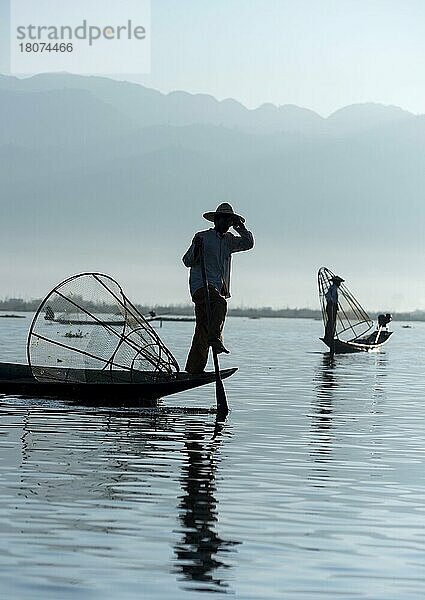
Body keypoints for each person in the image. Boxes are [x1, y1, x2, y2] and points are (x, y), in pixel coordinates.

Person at [182, 203, 254, 374]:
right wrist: (197, 249)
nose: (226, 223)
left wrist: (240, 226)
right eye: (223, 219)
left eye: (229, 220)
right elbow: (187, 261)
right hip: (201, 286)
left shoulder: (229, 241)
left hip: (216, 288)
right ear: (216, 220)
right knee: (220, 304)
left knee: (202, 328)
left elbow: (248, 243)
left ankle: (194, 369)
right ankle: (215, 338)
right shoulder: (202, 237)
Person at [324, 275, 344, 343]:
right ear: (336, 282)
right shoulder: (333, 288)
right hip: (331, 306)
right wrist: (331, 301)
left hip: (332, 306)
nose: (340, 284)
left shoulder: (333, 288)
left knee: (331, 321)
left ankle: (329, 336)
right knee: (331, 321)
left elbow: (327, 295)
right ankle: (329, 336)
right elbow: (327, 295)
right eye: (339, 282)